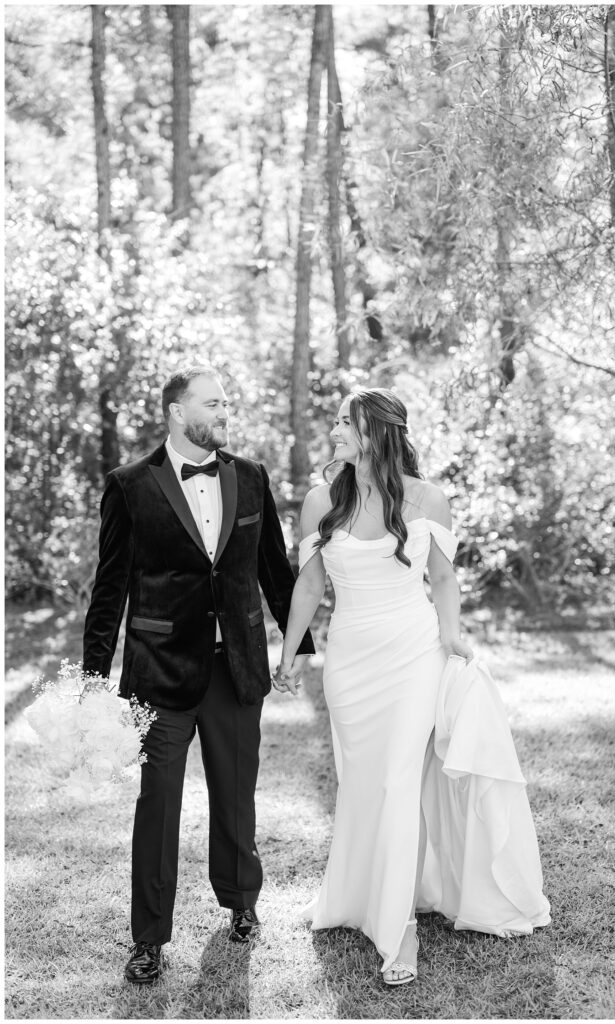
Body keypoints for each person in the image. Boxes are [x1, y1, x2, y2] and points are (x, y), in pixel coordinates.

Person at [274, 387, 550, 986]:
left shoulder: (428, 498)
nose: (337, 429)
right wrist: (293, 649)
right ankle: (353, 897)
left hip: (412, 652)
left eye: (348, 422)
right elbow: (307, 586)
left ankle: (399, 929)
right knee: (363, 782)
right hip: (350, 661)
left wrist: (451, 638)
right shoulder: (322, 498)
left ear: (377, 432)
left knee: (400, 780)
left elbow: (444, 578)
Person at [82, 365, 315, 984]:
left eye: (227, 402)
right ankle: (150, 938)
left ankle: (241, 903)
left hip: (236, 666)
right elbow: (110, 589)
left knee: (236, 793)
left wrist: (300, 647)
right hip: (160, 672)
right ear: (178, 412)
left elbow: (275, 572)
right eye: (213, 402)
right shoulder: (130, 485)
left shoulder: (251, 477)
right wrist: (93, 676)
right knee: (157, 802)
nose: (225, 410)